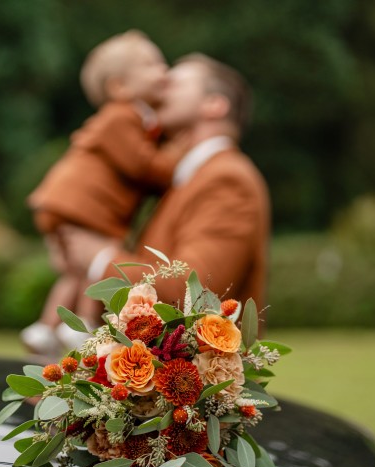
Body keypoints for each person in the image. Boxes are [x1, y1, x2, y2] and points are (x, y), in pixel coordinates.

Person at [62, 53, 271, 316]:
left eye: (172, 83)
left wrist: (100, 258)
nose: (157, 90)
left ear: (214, 105)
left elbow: (194, 292)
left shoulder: (228, 179)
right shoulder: (185, 177)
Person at [23, 31, 189, 356]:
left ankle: (45, 326)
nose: (164, 70)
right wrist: (176, 161)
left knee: (74, 270)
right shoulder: (122, 117)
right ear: (119, 87)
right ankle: (82, 322)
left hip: (67, 203)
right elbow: (140, 164)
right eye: (151, 64)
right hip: (83, 205)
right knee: (98, 260)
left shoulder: (127, 118)